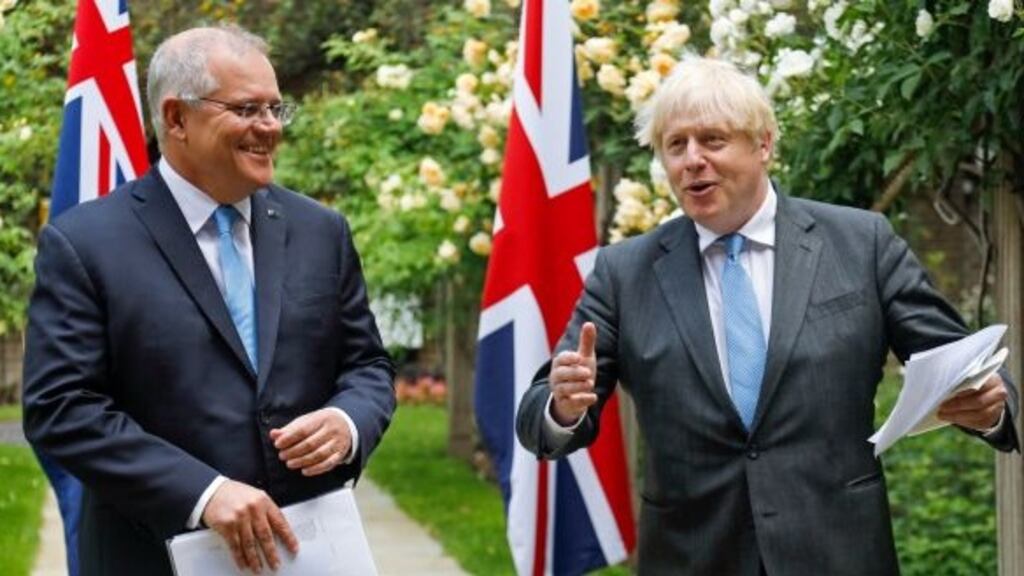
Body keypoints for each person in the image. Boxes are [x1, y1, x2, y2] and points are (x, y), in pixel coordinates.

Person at [516, 57, 1019, 576]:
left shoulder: (860, 244)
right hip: (692, 558)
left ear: (764, 144)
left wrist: (989, 405)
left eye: (712, 140)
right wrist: (562, 406)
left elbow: (961, 361)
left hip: (838, 554)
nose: (692, 160)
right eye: (675, 145)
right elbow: (539, 417)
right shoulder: (625, 272)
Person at [22, 25, 395, 576]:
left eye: (275, 109)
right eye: (247, 109)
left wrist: (347, 420)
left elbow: (367, 365)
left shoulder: (321, 231)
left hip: (310, 553)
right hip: (152, 556)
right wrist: (204, 492)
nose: (269, 128)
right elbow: (62, 408)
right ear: (176, 118)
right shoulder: (84, 244)